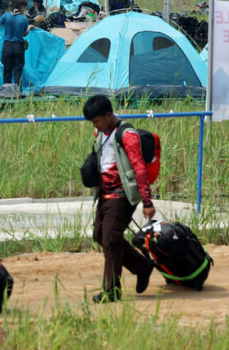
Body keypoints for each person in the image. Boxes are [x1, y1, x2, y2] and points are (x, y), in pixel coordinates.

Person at [82, 95, 155, 304]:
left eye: (96, 121)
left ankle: (111, 291)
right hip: (104, 194)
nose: (95, 125)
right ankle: (142, 267)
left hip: (122, 196)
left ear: (108, 115)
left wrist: (147, 202)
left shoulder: (127, 135)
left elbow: (140, 168)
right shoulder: (101, 132)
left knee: (111, 239)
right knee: (99, 236)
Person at [0, 0, 34, 88]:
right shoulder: (23, 19)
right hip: (18, 46)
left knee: (7, 69)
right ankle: (17, 90)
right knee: (18, 70)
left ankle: (6, 90)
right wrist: (29, 27)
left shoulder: (5, 16)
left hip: (7, 46)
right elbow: (24, 34)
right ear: (21, 7)